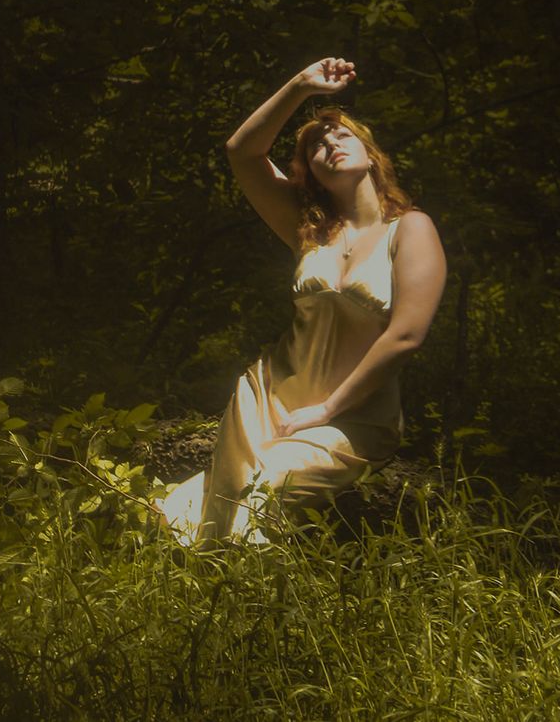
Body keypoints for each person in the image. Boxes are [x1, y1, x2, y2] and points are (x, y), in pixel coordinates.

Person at [158, 57, 446, 546]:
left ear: (371, 154)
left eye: (340, 137)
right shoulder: (310, 231)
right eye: (315, 146)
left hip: (353, 418)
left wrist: (327, 409)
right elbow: (241, 152)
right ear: (309, 172)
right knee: (192, 515)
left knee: (261, 491)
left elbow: (407, 335)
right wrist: (301, 87)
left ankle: (275, 617)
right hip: (267, 398)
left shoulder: (410, 228)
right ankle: (212, 612)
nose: (328, 144)